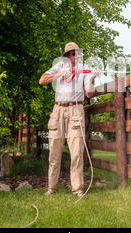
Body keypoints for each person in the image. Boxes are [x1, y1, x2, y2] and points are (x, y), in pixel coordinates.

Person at [38, 42, 99, 197]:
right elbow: (42, 80)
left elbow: (89, 94)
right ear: (67, 55)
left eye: (78, 53)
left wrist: (92, 79)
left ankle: (77, 189)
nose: (77, 56)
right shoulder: (58, 66)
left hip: (76, 110)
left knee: (77, 152)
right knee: (54, 152)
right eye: (74, 53)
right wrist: (59, 75)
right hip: (57, 110)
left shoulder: (84, 71)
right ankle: (52, 188)